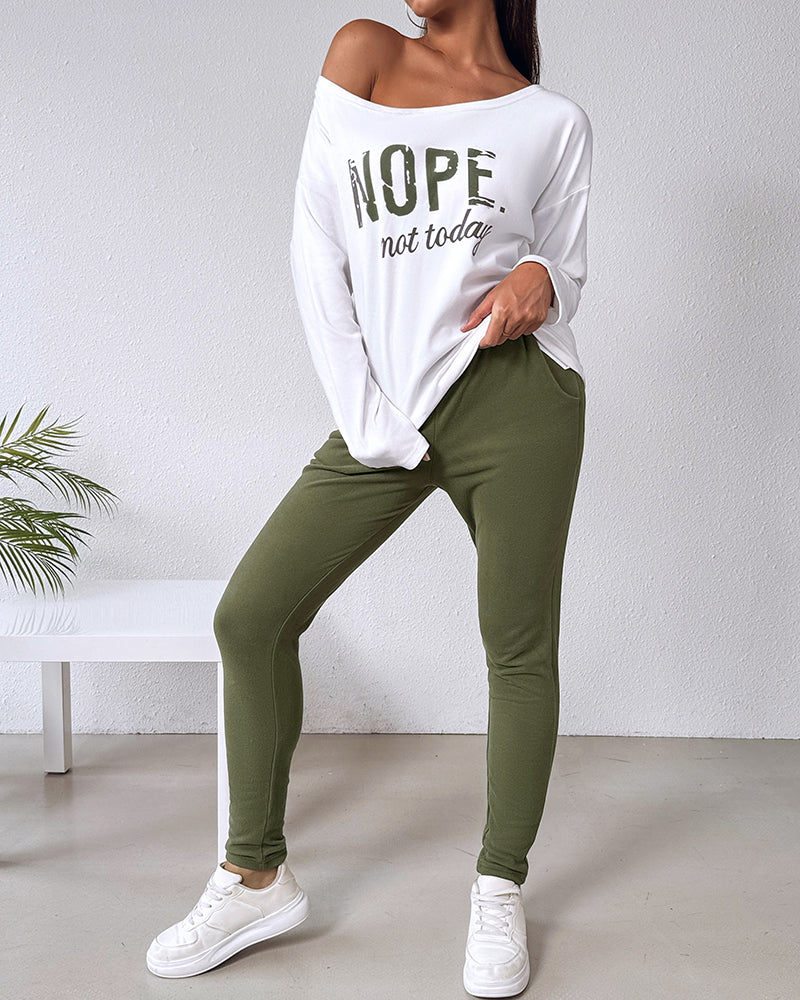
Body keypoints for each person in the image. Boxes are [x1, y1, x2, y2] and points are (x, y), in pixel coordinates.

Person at [146, 3, 592, 996]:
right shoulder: (366, 53)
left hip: (516, 403)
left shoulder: (551, 121)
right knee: (251, 616)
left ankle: (498, 884)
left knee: (516, 646)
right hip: (382, 408)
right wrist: (363, 415)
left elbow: (565, 269)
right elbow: (316, 240)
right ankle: (254, 875)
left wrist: (541, 278)